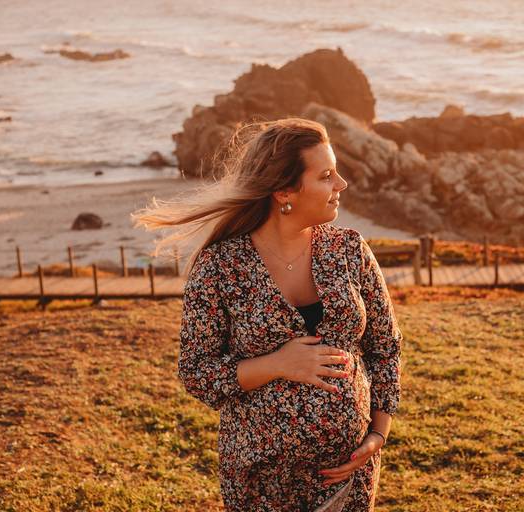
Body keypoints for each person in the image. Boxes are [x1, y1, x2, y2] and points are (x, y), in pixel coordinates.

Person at [131, 118, 402, 511]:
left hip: (349, 476)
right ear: (283, 191)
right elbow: (197, 372)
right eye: (326, 175)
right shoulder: (220, 266)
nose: (341, 184)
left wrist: (377, 435)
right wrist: (277, 364)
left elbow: (385, 348)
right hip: (261, 481)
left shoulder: (350, 250)